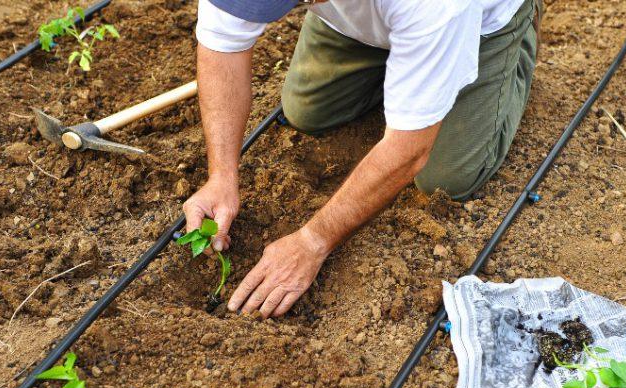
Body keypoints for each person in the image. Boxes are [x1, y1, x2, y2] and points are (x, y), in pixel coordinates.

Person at [184, 0, 543, 318]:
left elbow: (409, 152)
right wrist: (221, 176)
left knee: (447, 177)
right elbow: (222, 46)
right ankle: (410, 64)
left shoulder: (440, 7)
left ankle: (514, 37)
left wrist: (312, 241)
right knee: (306, 111)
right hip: (370, 20)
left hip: (480, 25)